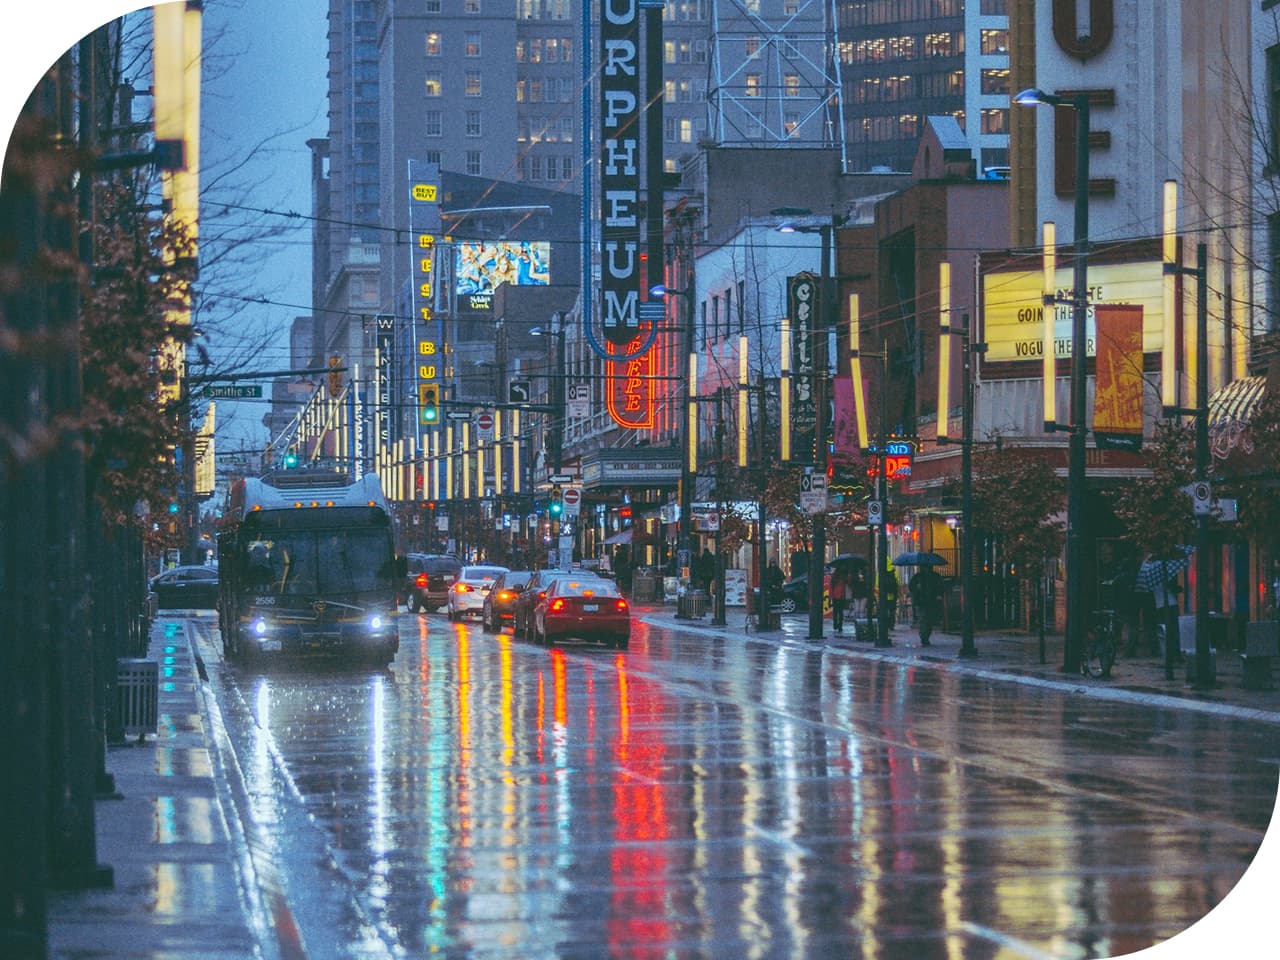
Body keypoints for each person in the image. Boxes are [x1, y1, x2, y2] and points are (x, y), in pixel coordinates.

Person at [908, 565, 944, 646]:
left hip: (929, 601)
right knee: (924, 619)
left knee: (929, 620)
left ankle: (925, 636)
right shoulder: (919, 577)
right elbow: (911, 587)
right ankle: (924, 637)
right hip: (923, 602)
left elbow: (940, 587)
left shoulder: (932, 577)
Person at [829, 566, 850, 632]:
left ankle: (835, 624)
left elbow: (831, 587)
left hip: (836, 596)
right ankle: (839, 626)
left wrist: (831, 596)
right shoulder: (843, 578)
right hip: (841, 596)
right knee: (840, 612)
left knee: (836, 611)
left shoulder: (834, 577)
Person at [880, 566, 900, 632]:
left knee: (885, 611)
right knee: (892, 612)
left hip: (884, 596)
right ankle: (892, 625)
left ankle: (886, 625)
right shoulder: (894, 572)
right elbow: (898, 583)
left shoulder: (881, 572)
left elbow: (877, 584)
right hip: (893, 596)